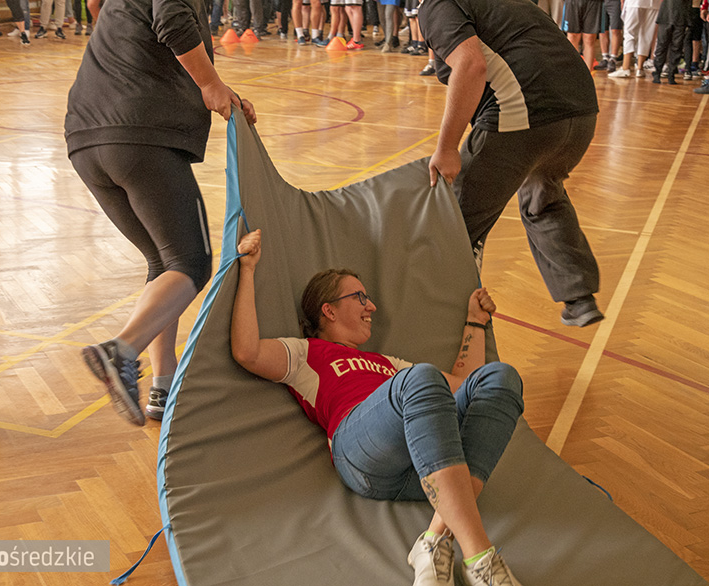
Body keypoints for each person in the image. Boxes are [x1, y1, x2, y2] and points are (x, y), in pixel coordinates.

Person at [231, 229, 525, 586]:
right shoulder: (307, 352)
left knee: (500, 377)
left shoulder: (388, 363)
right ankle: (480, 558)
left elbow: (464, 387)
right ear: (329, 310)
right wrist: (246, 270)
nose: (371, 306)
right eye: (359, 297)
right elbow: (247, 352)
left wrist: (475, 321)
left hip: (424, 469)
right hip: (362, 454)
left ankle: (433, 541)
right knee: (422, 377)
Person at [65, 0, 256, 425]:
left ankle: (163, 385)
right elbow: (170, 17)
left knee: (165, 263)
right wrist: (210, 84)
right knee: (191, 263)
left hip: (86, 140)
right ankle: (121, 351)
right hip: (138, 133)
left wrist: (221, 91)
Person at [418, 0, 604, 328]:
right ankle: (579, 297)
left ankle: (447, 324)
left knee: (457, 220)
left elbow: (470, 65)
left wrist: (447, 148)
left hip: (525, 109)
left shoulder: (438, 4)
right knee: (542, 196)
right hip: (581, 109)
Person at [652, 0, 691, 84]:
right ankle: (657, 73)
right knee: (662, 45)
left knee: (677, 47)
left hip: (681, 15)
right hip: (666, 14)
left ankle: (671, 74)